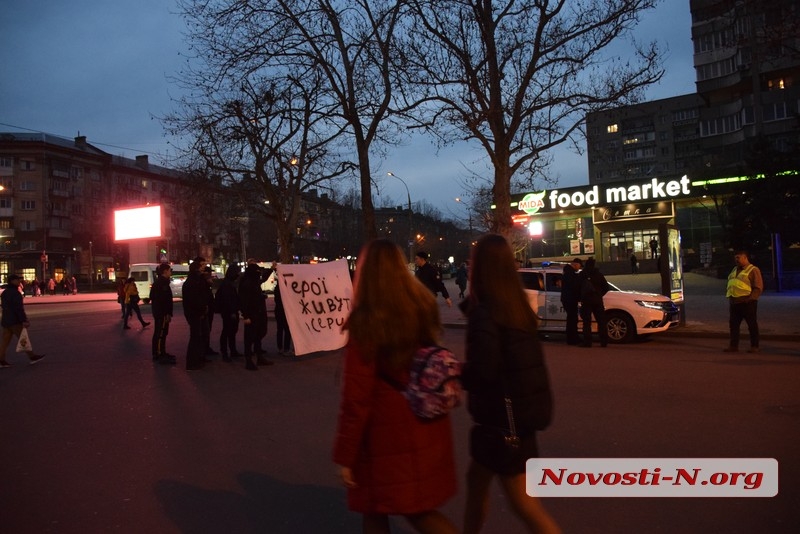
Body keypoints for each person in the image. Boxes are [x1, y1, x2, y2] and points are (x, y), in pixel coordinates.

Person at [333, 238, 457, 534]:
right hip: (424, 418)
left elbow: (356, 399)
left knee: (407, 509)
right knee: (381, 506)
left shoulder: (367, 322)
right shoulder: (421, 305)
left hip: (386, 434)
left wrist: (345, 456)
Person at [460, 234, 558, 534]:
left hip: (503, 424)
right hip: (518, 418)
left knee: (523, 503)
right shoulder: (515, 307)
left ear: (480, 268)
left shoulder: (487, 313)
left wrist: (453, 372)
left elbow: (483, 372)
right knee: (477, 482)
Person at [0, 274, 46, 368]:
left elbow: (4, 306)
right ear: (12, 281)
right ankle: (32, 357)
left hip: (6, 320)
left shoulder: (5, 293)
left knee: (5, 342)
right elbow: (19, 308)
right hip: (15, 321)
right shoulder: (15, 293)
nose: (19, 281)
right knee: (23, 339)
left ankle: (1, 360)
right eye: (17, 280)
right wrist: (24, 320)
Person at [724, 250, 763, 353]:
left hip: (747, 303)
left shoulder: (753, 270)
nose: (736, 260)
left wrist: (751, 299)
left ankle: (754, 346)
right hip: (734, 302)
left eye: (739, 258)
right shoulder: (734, 269)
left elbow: (758, 287)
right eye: (735, 258)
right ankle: (733, 346)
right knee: (733, 326)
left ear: (745, 258)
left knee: (752, 325)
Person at [239, 263, 272, 370]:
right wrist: (246, 316)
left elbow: (263, 279)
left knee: (259, 335)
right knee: (249, 338)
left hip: (259, 313)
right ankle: (249, 360)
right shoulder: (247, 284)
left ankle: (259, 357)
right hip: (252, 314)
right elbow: (244, 301)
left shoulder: (254, 282)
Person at [182, 257, 211, 371]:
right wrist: (201, 309)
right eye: (201, 266)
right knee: (195, 337)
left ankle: (198, 358)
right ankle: (192, 362)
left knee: (199, 336)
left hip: (197, 312)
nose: (203, 268)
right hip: (195, 313)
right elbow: (195, 299)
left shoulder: (196, 280)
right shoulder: (194, 282)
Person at [578, 257, 609, 348]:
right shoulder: (599, 274)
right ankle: (604, 341)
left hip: (586, 301)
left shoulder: (582, 274)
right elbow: (606, 287)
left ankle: (587, 342)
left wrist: (581, 297)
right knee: (601, 321)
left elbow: (577, 287)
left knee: (587, 322)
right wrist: (599, 294)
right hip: (597, 301)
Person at [150, 263, 176, 365]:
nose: (171, 272)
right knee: (160, 333)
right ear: (165, 271)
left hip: (162, 313)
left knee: (163, 333)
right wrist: (166, 313)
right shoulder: (161, 283)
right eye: (170, 270)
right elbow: (160, 300)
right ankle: (159, 354)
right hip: (161, 314)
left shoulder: (162, 282)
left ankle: (162, 353)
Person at [215, 265, 242, 362]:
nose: (238, 274)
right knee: (227, 332)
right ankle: (225, 352)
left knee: (231, 332)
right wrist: (232, 312)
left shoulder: (228, 283)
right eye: (237, 272)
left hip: (230, 311)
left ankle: (232, 350)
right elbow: (228, 300)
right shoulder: (227, 284)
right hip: (229, 312)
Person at [560, 258, 583, 345]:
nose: (579, 268)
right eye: (579, 266)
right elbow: (573, 287)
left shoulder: (567, 272)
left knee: (571, 319)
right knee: (572, 319)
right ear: (575, 264)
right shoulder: (570, 273)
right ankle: (572, 339)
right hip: (570, 299)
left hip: (568, 298)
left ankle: (572, 338)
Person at [272, 264, 293, 356]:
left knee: (280, 329)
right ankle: (286, 348)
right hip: (284, 311)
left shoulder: (277, 288)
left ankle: (280, 348)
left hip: (279, 310)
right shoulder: (284, 288)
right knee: (287, 330)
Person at [202, 265, 219, 356]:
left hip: (209, 310)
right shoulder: (203, 283)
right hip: (206, 310)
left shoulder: (207, 284)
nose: (211, 275)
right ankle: (204, 349)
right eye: (209, 273)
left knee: (208, 330)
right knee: (205, 331)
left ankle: (206, 347)